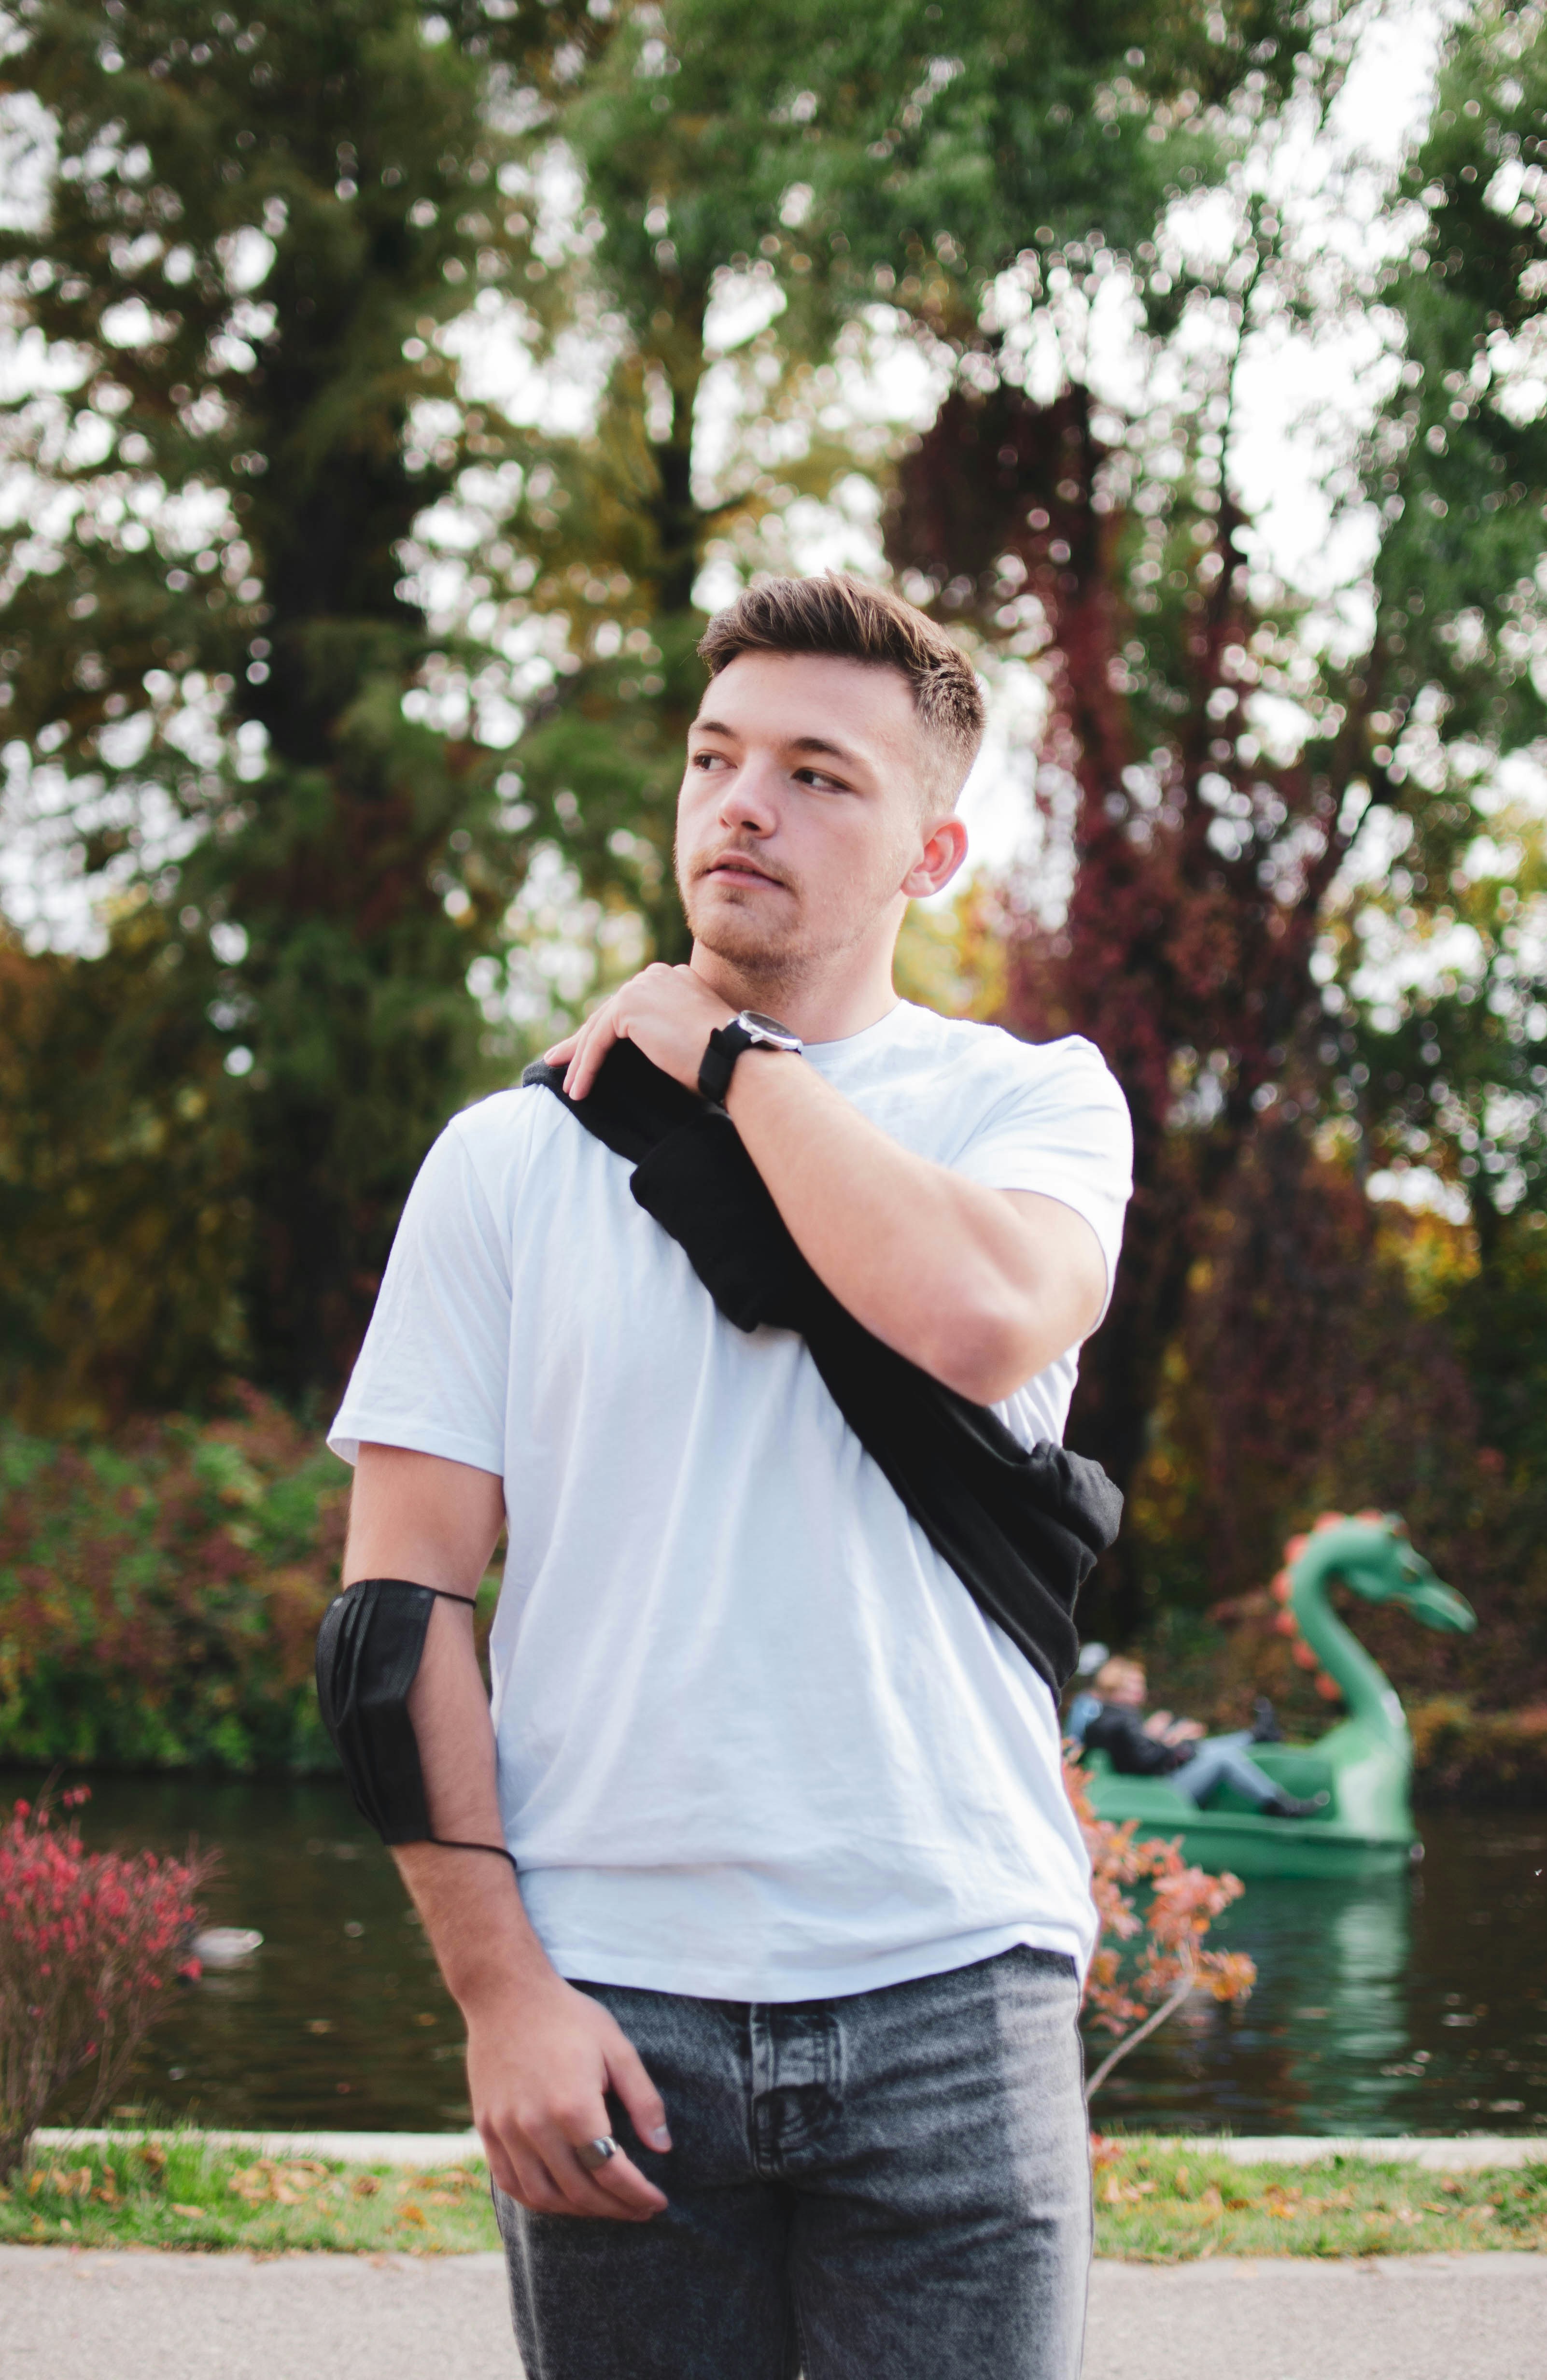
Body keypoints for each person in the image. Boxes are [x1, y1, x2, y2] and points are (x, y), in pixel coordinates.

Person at [325, 574, 1133, 2380]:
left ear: (931, 855)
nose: (742, 804)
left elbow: (974, 1318)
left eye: (816, 775)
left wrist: (728, 1060)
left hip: (954, 1988)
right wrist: (499, 1994)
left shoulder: (1031, 1108)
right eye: (713, 758)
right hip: (612, 2003)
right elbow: (394, 1612)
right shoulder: (505, 1161)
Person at [1067, 1657, 1327, 1818]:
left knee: (1207, 1749)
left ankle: (1258, 1737)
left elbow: (1138, 1753)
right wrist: (1179, 1746)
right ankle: (1278, 1804)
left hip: (1151, 1782)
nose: (1141, 1691)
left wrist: (1170, 1742)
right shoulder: (1122, 1717)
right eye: (1134, 1685)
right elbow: (1146, 1762)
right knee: (1223, 1757)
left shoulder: (1111, 1716)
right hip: (1158, 1790)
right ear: (1115, 1685)